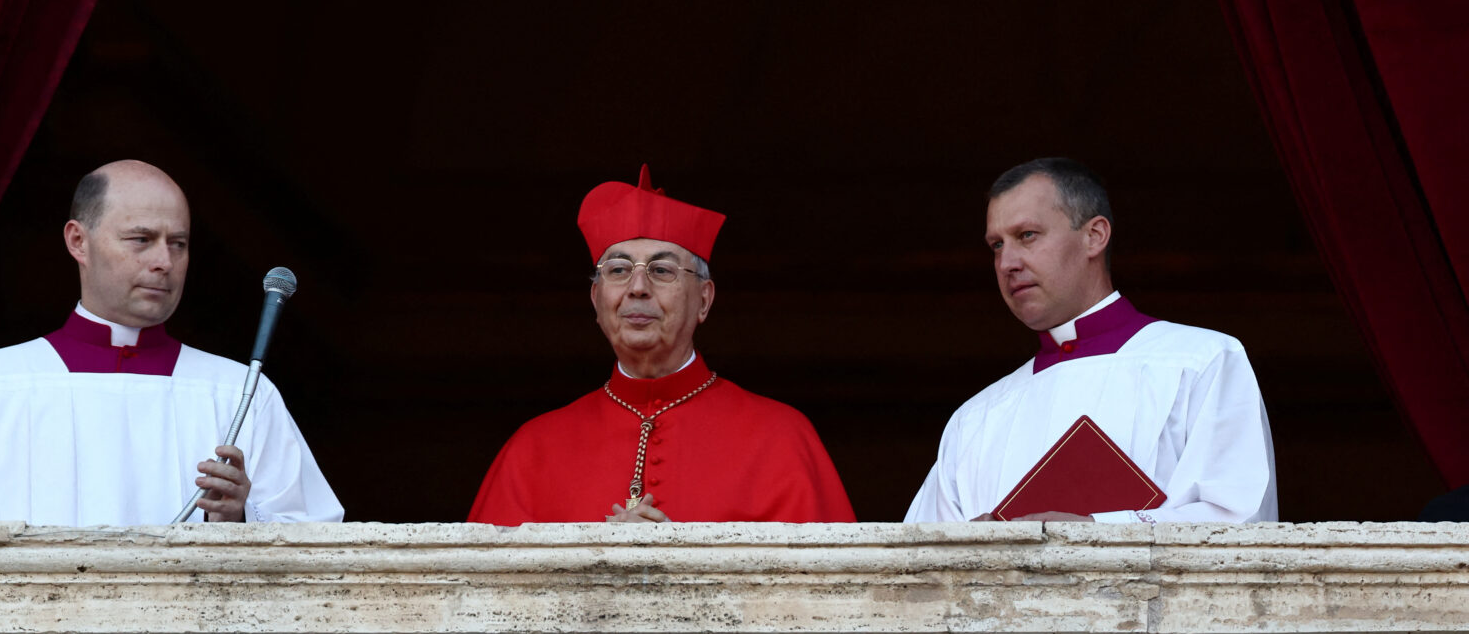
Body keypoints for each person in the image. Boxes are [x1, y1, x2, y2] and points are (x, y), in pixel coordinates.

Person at [0, 160, 342, 525]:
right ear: (78, 242)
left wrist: (242, 518)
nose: (164, 262)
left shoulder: (241, 394)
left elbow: (316, 545)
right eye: (141, 240)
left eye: (179, 244)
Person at [469, 165, 855, 524]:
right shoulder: (532, 451)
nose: (638, 288)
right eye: (618, 270)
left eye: (662, 270)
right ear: (595, 299)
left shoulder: (781, 440)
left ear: (704, 300)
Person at [905, 158, 1277, 524]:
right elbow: (912, 564)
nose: (1007, 263)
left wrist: (1095, 533)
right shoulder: (974, 420)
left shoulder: (1200, 362)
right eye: (997, 245)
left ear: (1094, 236)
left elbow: (1240, 521)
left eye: (1026, 236)